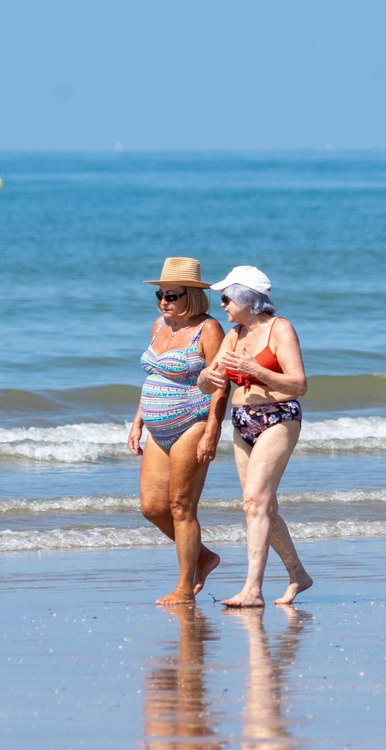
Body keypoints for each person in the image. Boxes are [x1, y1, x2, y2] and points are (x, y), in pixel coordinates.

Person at [198, 266, 313, 608]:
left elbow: (299, 385)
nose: (222, 305)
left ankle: (252, 589)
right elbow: (208, 382)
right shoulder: (234, 336)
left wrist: (256, 371)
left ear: (246, 299)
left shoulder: (281, 329)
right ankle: (298, 575)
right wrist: (207, 375)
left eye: (226, 298)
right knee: (261, 507)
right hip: (243, 421)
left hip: (279, 418)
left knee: (255, 502)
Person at [129, 257, 228, 605]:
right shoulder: (159, 325)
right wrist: (138, 419)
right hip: (157, 428)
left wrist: (213, 429)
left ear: (194, 296)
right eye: (160, 295)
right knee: (152, 507)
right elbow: (153, 375)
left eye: (173, 296)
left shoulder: (209, 329)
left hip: (192, 423)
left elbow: (220, 384)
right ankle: (203, 557)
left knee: (180, 506)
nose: (164, 303)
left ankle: (185, 587)